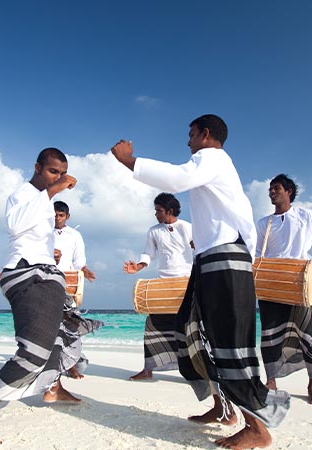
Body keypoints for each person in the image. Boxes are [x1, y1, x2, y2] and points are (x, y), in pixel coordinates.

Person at [111, 114, 290, 449]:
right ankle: (224, 409)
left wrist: (130, 162)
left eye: (191, 134)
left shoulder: (213, 157)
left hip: (226, 260)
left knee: (228, 340)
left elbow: (178, 178)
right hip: (209, 261)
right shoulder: (210, 165)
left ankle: (258, 428)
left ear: (206, 134)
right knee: (192, 332)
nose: (188, 140)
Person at [0, 148, 82, 446]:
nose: (59, 178)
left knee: (61, 337)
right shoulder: (23, 193)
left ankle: (53, 387)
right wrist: (52, 190)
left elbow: (33, 234)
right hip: (27, 275)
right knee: (33, 351)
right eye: (53, 171)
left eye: (62, 173)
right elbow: (15, 225)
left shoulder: (44, 202)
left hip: (47, 274)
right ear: (38, 167)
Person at [256, 173, 312, 405]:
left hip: (300, 282)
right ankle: (271, 379)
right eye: (270, 189)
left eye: (276, 188)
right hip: (271, 283)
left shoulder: (306, 216)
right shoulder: (264, 223)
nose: (272, 192)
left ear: (289, 191)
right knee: (270, 333)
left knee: (307, 333)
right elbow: (256, 254)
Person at [124, 192, 193, 381]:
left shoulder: (187, 228)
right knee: (152, 326)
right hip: (163, 283)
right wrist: (137, 267)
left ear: (170, 211)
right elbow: (148, 253)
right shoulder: (154, 231)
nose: (156, 214)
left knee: (189, 329)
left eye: (159, 210)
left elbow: (200, 249)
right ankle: (148, 370)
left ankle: (196, 372)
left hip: (185, 283)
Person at [53, 200, 98, 380]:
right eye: (54, 214)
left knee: (70, 326)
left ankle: (71, 365)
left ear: (67, 217)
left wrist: (85, 271)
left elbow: (79, 261)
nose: (57, 218)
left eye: (61, 215)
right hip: (46, 282)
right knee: (49, 327)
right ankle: (49, 364)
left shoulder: (74, 235)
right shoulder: (40, 233)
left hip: (68, 284)